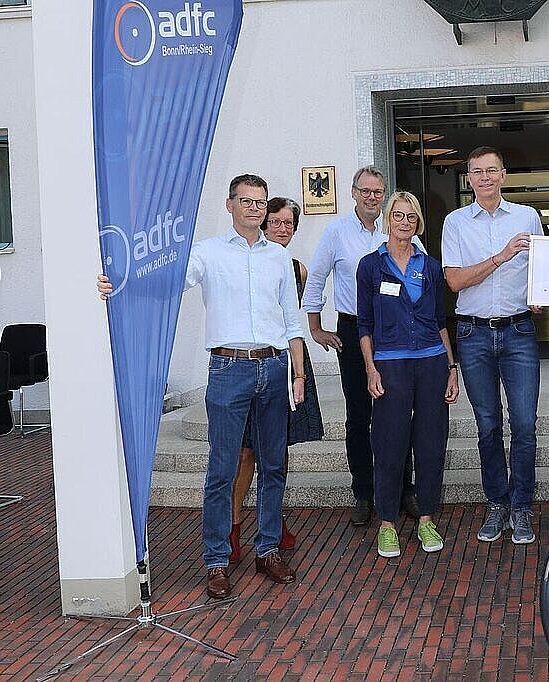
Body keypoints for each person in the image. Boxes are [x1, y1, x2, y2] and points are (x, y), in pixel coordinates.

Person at [98, 174, 304, 598]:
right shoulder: (208, 253)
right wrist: (122, 281)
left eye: (260, 202)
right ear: (229, 205)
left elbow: (292, 320)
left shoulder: (278, 258)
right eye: (246, 201)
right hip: (229, 369)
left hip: (274, 366)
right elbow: (169, 282)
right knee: (221, 470)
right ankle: (216, 560)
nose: (254, 208)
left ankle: (267, 549)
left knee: (273, 467)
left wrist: (298, 373)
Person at [302, 167, 423, 526]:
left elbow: (423, 275)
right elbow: (317, 276)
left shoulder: (400, 229)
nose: (372, 197)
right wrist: (315, 327)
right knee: (359, 416)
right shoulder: (336, 232)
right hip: (353, 332)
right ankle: (363, 492)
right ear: (353, 193)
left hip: (397, 334)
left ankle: (404, 489)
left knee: (399, 413)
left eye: (378, 192)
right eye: (366, 191)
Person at [442, 146, 544, 544]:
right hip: (473, 334)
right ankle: (496, 503)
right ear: (469, 178)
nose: (484, 177)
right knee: (487, 426)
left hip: (519, 331)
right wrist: (501, 257)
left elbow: (542, 269)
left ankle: (521, 507)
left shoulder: (526, 217)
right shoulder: (455, 223)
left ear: (504, 174)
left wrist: (544, 294)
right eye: (477, 172)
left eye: (492, 170)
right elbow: (454, 281)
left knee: (524, 425)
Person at [356, 192, 459, 557]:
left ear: (417, 223)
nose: (404, 222)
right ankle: (387, 523)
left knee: (431, 444)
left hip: (431, 362)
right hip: (390, 364)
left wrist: (451, 367)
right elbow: (364, 324)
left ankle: (427, 519)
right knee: (389, 444)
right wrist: (370, 369)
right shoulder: (371, 266)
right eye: (398, 215)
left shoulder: (429, 266)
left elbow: (439, 321)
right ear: (388, 219)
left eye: (411, 217)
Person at [229, 197, 324, 563]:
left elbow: (295, 319)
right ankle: (233, 525)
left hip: (287, 360)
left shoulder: (297, 268)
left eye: (289, 224)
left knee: (276, 451)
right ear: (263, 224)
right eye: (276, 222)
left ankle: (273, 521)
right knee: (245, 452)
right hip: (253, 362)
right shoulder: (248, 262)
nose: (283, 229)